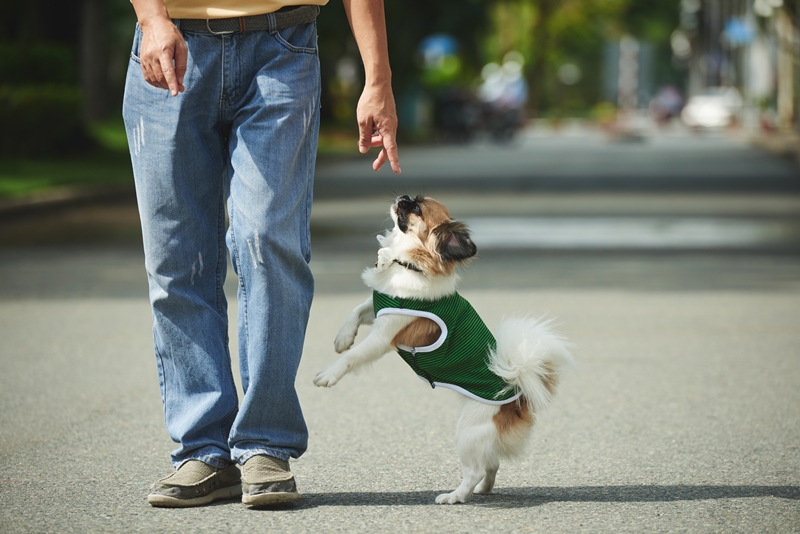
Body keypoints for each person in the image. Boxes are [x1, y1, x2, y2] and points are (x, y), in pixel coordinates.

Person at [122, 0, 400, 508]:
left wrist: (376, 78)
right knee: (177, 260)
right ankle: (202, 451)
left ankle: (264, 443)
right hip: (170, 46)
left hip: (283, 46)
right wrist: (151, 19)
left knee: (269, 242)